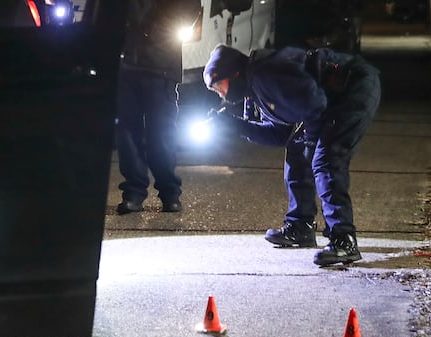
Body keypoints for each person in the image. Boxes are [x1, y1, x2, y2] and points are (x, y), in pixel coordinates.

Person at [202, 44, 381, 266]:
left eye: (219, 84)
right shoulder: (254, 88)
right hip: (326, 102)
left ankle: (344, 239)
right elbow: (280, 134)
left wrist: (311, 142)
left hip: (353, 87)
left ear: (234, 73)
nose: (219, 92)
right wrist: (236, 126)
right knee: (298, 151)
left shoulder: (266, 74)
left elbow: (316, 105)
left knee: (326, 161)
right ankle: (301, 226)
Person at [115, 0, 184, 215]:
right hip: (125, 64)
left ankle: (169, 193)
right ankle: (134, 194)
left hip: (160, 64)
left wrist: (153, 32)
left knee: (161, 134)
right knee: (127, 134)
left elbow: (187, 9)